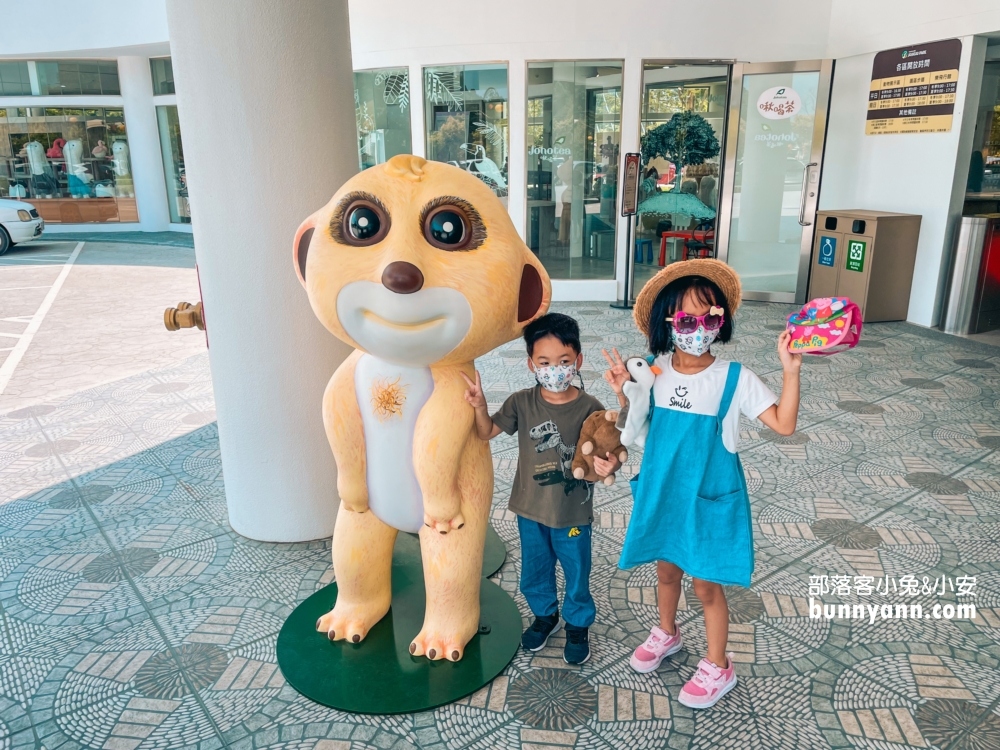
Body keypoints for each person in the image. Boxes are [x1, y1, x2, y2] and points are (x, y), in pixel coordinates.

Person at [603, 259, 801, 708]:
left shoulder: (735, 378)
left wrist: (790, 370)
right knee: (667, 570)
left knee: (708, 586)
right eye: (688, 320)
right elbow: (635, 425)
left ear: (722, 322)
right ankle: (667, 633)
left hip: (711, 498)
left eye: (710, 318)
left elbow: (784, 425)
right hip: (665, 491)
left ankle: (718, 665)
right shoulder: (652, 372)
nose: (699, 328)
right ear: (666, 325)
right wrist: (623, 390)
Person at [463, 313, 623, 665]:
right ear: (531, 364)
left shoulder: (591, 407)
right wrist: (479, 406)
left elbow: (608, 450)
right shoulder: (521, 402)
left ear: (578, 361)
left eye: (564, 362)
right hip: (530, 509)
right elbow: (486, 431)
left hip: (572, 512)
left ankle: (578, 624)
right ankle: (545, 615)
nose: (555, 370)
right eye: (545, 362)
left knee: (577, 570)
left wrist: (609, 464)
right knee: (535, 568)